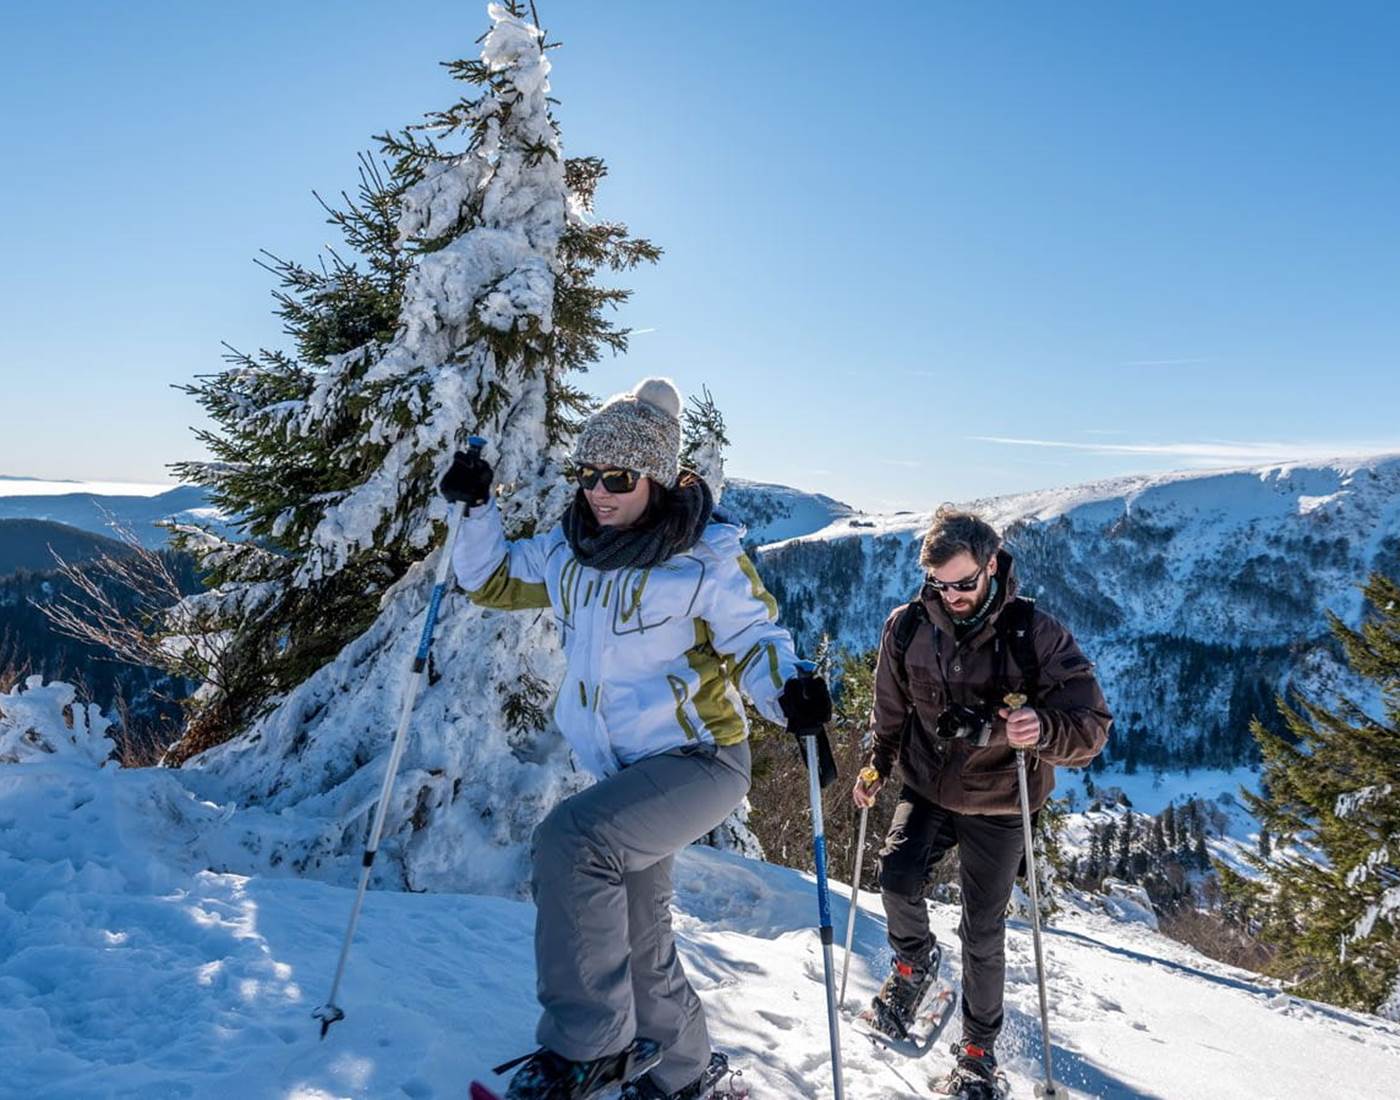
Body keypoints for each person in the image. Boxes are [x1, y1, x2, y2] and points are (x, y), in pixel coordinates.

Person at [442, 377, 830, 1100]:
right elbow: (489, 578)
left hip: (700, 760)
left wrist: (790, 692)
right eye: (588, 476)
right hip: (626, 772)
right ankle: (687, 1075)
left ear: (654, 476)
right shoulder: (570, 551)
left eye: (617, 478)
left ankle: (586, 1049)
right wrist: (475, 507)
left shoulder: (703, 557)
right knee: (637, 933)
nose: (599, 492)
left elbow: (755, 637)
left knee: (571, 841)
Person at [853, 506, 1111, 1097]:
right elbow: (890, 715)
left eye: (964, 583)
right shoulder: (908, 626)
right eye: (940, 585)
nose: (952, 596)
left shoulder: (1035, 634)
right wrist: (875, 766)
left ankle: (977, 1053)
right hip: (928, 786)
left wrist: (1039, 727)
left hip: (999, 800)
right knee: (895, 879)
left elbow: (1092, 726)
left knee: (983, 932)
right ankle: (914, 965)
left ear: (992, 566)